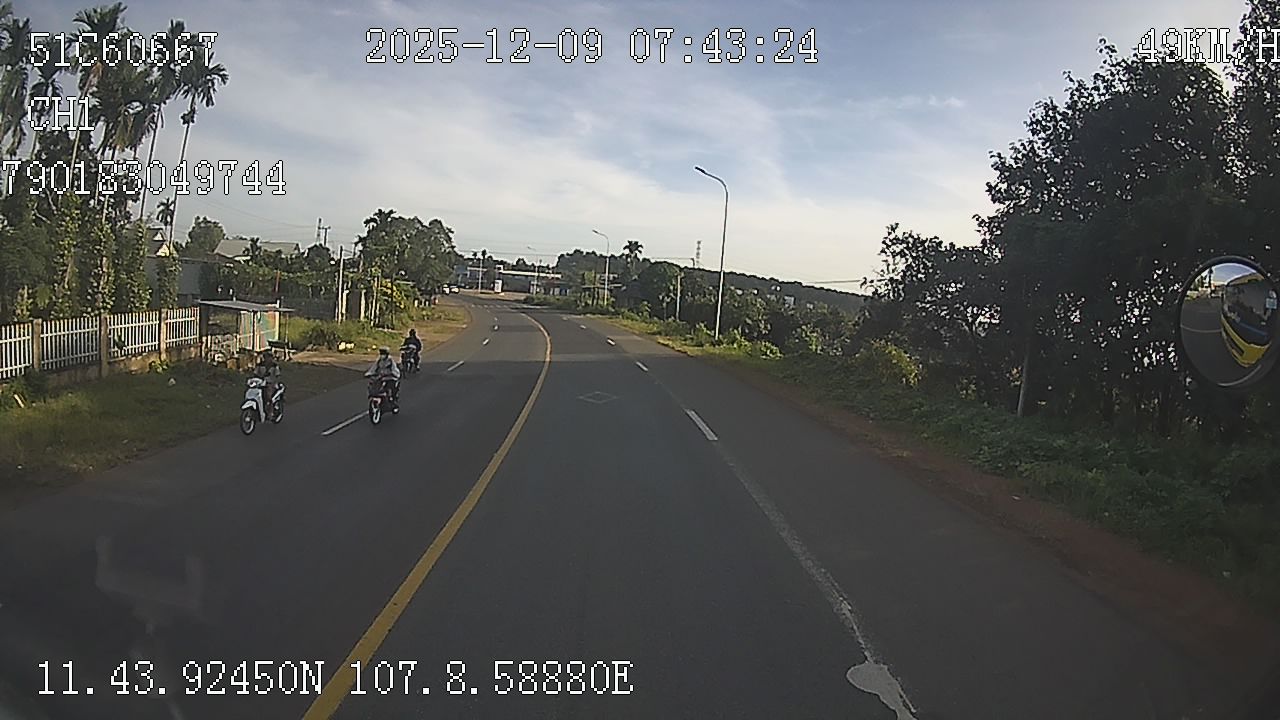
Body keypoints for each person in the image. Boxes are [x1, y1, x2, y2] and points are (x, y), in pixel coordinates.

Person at [365, 346, 401, 411]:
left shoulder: (390, 361)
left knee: (390, 389)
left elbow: (394, 369)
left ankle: (392, 401)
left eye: (383, 354)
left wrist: (395, 374)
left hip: (390, 378)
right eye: (381, 354)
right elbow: (373, 368)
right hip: (381, 378)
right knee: (375, 386)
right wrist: (369, 373)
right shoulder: (379, 361)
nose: (382, 355)